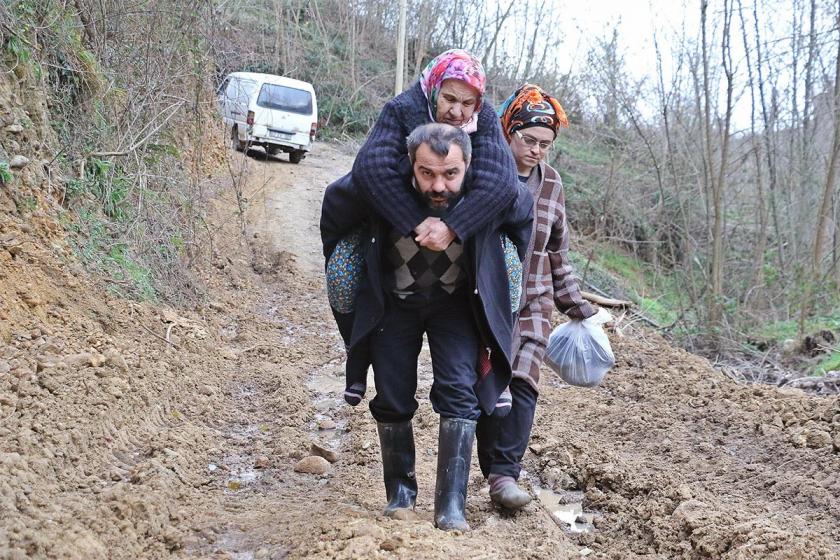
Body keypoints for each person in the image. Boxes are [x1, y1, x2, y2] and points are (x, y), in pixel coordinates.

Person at [321, 123, 532, 531]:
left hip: (454, 306)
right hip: (393, 306)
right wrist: (348, 263)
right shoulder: (387, 191)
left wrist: (496, 268)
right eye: (427, 173)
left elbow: (521, 214)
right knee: (393, 394)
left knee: (459, 391)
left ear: (468, 166)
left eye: (451, 173)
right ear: (411, 166)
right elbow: (337, 202)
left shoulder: (483, 198)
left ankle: (450, 505)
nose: (439, 185)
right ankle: (400, 494)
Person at [329, 48, 522, 408]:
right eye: (449, 98)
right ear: (433, 90)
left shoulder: (486, 118)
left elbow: (502, 182)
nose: (457, 111)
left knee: (509, 274)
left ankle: (494, 360)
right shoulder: (402, 108)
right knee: (341, 274)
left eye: (467, 103)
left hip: (457, 276)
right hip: (392, 254)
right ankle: (356, 359)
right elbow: (370, 169)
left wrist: (452, 226)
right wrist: (416, 221)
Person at [475, 84, 598, 510]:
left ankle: (505, 475)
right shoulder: (484, 173)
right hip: (485, 303)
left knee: (524, 382)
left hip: (534, 302)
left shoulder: (552, 186)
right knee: (490, 387)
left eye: (545, 144)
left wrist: (579, 308)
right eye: (528, 140)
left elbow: (557, 255)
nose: (537, 151)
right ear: (509, 132)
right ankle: (492, 468)